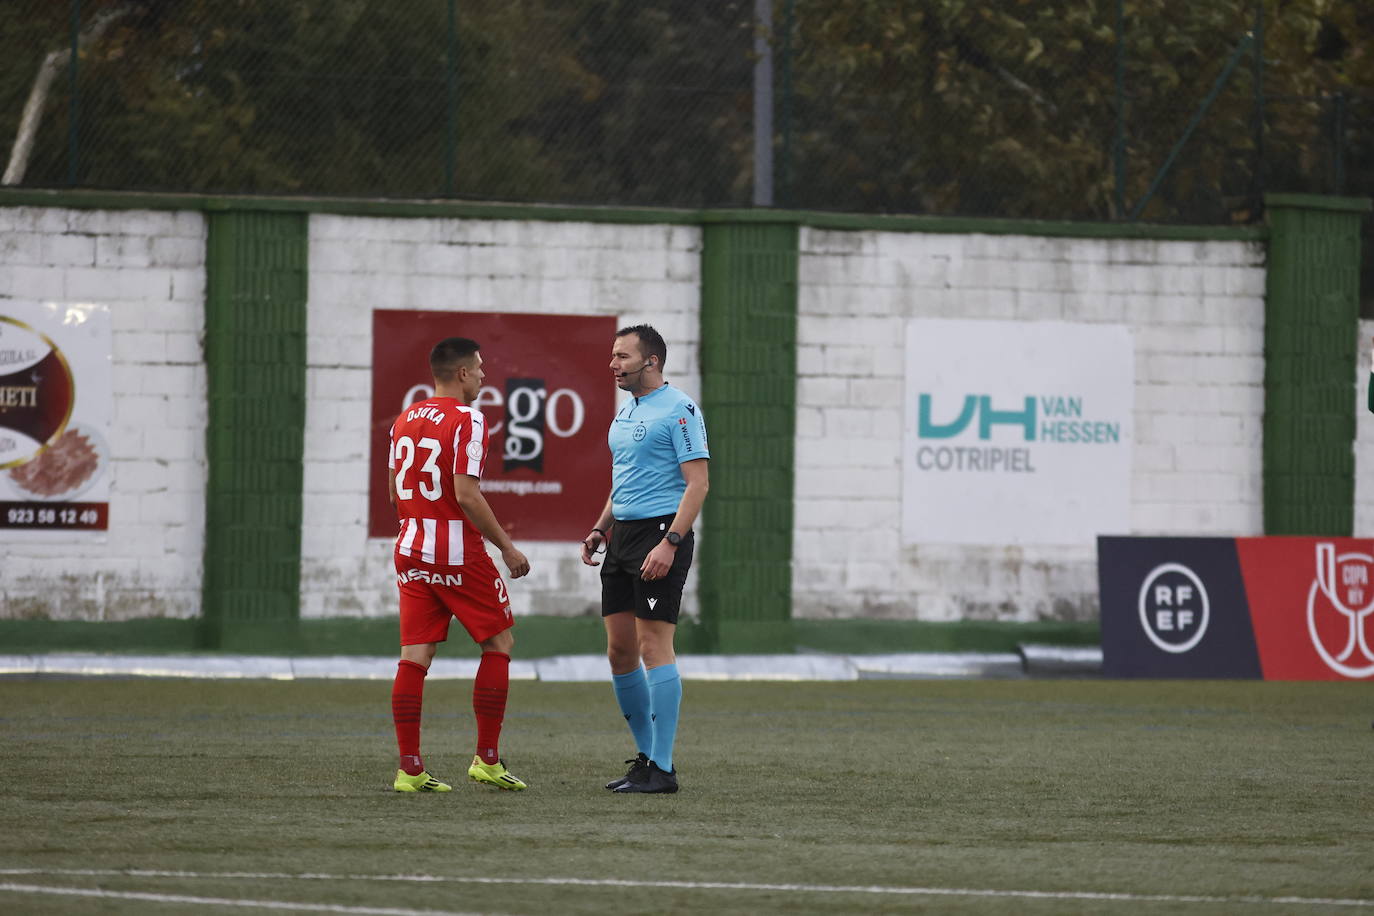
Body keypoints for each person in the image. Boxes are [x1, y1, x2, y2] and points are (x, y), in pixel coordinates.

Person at [387, 337, 531, 793]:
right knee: (499, 642)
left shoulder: (404, 418)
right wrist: (507, 548)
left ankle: (409, 769)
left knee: (415, 656)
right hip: (456, 553)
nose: (485, 376)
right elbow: (467, 494)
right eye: (481, 368)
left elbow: (394, 494)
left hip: (410, 549)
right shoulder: (469, 420)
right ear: (463, 373)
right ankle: (486, 760)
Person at [580, 324, 710, 794]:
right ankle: (647, 761)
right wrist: (601, 528)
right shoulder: (627, 411)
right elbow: (625, 482)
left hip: (660, 535)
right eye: (613, 356)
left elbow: (698, 484)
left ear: (650, 361)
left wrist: (670, 542)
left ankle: (663, 766)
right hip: (623, 538)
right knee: (619, 651)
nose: (613, 364)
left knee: (654, 647)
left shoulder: (680, 410)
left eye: (622, 357)